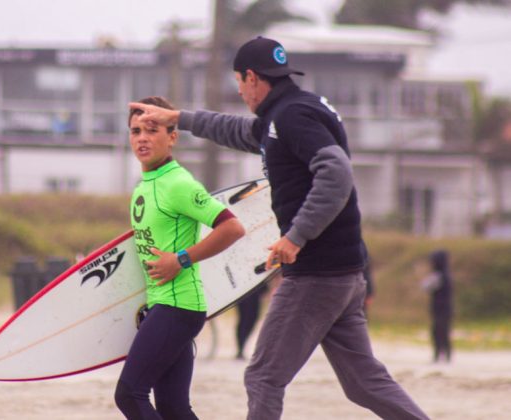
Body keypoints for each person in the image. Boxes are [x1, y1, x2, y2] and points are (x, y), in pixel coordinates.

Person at [130, 37, 429, 420]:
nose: (238, 91)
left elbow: (336, 173)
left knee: (263, 377)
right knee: (363, 382)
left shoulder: (291, 117)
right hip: (345, 271)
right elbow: (239, 132)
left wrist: (295, 236)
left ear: (251, 77)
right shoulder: (294, 111)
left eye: (238, 82)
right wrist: (181, 120)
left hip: (316, 273)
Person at [114, 96, 246, 419]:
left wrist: (181, 259)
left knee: (129, 394)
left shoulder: (178, 184)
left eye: (151, 129)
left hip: (178, 306)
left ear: (172, 136)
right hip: (165, 307)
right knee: (173, 408)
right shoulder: (145, 186)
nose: (142, 138)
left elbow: (232, 227)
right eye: (135, 131)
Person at [420, 249, 453, 363]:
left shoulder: (437, 276)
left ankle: (438, 354)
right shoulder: (447, 275)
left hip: (439, 308)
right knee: (444, 331)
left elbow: (425, 286)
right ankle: (447, 355)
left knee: (437, 332)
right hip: (447, 308)